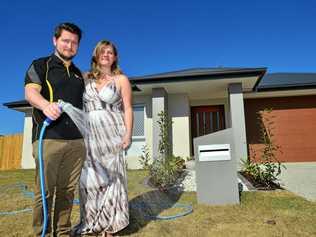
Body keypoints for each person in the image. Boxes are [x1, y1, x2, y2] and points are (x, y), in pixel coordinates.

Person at [24, 22, 86, 236]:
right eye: (65, 40)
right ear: (55, 40)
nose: (70, 45)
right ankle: (41, 233)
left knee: (68, 191)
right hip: (48, 138)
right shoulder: (41, 65)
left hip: (77, 142)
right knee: (46, 191)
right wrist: (45, 105)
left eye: (74, 42)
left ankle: (62, 232)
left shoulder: (80, 75)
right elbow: (31, 93)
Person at [70, 40, 133, 237]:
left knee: (112, 178)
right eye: (102, 52)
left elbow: (128, 108)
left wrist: (128, 134)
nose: (106, 54)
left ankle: (111, 225)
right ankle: (90, 223)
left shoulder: (121, 79)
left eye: (110, 52)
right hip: (89, 135)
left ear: (115, 57)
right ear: (96, 56)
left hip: (113, 132)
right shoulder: (85, 78)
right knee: (90, 179)